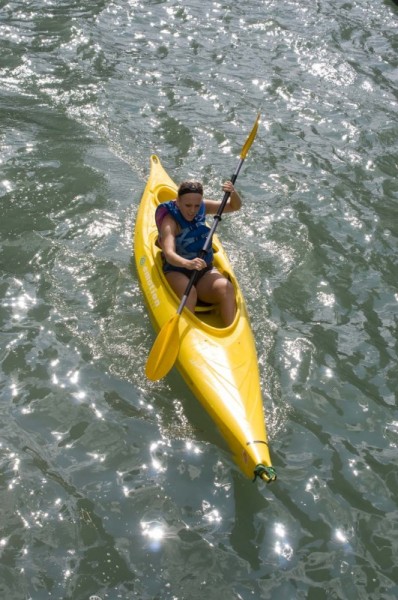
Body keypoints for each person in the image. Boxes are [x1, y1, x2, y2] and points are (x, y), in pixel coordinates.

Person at [155, 179, 242, 326]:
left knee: (226, 288)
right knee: (189, 293)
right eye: (188, 205)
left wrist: (233, 193)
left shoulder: (203, 207)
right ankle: (188, 333)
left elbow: (234, 206)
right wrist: (187, 263)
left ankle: (232, 333)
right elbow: (169, 253)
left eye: (196, 205)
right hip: (177, 270)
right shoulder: (170, 222)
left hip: (203, 270)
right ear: (178, 202)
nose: (192, 210)